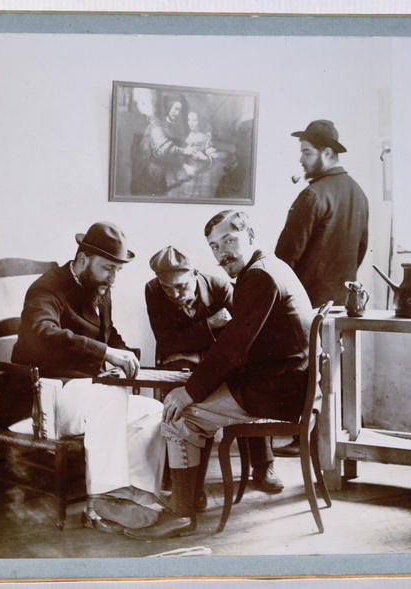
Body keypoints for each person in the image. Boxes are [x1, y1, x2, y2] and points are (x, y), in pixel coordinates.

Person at [125, 211, 313, 540]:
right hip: (285, 382)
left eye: (229, 240)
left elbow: (233, 349)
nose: (221, 252)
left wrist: (191, 392)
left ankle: (182, 514)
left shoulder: (258, 277)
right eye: (214, 246)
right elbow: (235, 346)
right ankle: (189, 498)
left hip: (275, 390)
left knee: (177, 414)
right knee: (190, 402)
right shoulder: (270, 266)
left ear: (250, 235)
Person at [2, 221, 165, 534]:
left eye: (118, 271)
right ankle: (105, 500)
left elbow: (110, 335)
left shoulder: (99, 289)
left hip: (81, 394)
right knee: (110, 399)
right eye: (108, 269)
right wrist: (105, 353)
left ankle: (139, 495)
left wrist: (122, 354)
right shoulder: (46, 287)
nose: (113, 278)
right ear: (82, 258)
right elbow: (43, 332)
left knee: (152, 411)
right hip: (39, 398)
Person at [144, 245, 284, 504]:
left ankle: (263, 466)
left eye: (182, 286)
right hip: (181, 358)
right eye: (168, 288)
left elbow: (243, 338)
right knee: (181, 400)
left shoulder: (221, 287)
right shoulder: (152, 290)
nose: (175, 295)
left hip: (219, 358)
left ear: (195, 274)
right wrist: (209, 325)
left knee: (245, 379)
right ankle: (183, 479)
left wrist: (203, 347)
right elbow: (167, 342)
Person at [273, 119, 369, 457]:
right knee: (333, 370)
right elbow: (360, 249)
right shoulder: (358, 192)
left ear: (327, 153)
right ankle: (330, 439)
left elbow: (284, 259)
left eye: (306, 152)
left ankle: (307, 436)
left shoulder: (312, 195)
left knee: (308, 371)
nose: (300, 159)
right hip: (341, 304)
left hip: (306, 303)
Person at [132, 99, 193, 195]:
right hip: (150, 171)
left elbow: (178, 147)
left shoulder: (173, 126)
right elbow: (164, 149)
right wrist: (184, 151)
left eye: (179, 110)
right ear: (168, 108)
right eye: (175, 109)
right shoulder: (156, 125)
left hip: (164, 170)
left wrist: (185, 162)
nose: (177, 113)